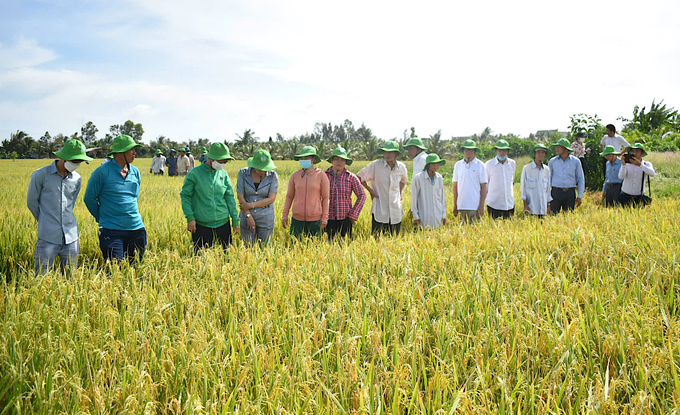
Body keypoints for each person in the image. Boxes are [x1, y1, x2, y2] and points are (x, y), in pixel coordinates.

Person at [27, 139, 93, 275]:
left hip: (71, 236)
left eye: (79, 162)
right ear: (63, 158)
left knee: (71, 277)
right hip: (47, 237)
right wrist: (45, 220)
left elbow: (71, 203)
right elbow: (32, 202)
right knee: (42, 277)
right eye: (74, 161)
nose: (77, 165)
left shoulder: (77, 179)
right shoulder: (41, 175)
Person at [84, 135, 147, 263]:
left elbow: (134, 196)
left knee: (135, 267)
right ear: (120, 152)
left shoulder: (135, 172)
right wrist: (101, 217)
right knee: (115, 269)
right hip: (111, 230)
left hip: (136, 228)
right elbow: (89, 198)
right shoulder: (101, 172)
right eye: (131, 149)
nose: (134, 153)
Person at [180, 142, 240, 251]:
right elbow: (185, 196)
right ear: (211, 159)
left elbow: (229, 197)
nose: (223, 164)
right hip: (202, 224)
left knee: (226, 258)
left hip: (223, 223)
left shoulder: (223, 174)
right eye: (221, 161)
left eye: (225, 162)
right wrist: (190, 217)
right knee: (201, 258)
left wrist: (235, 219)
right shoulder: (194, 174)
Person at [357, 140, 408, 235]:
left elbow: (403, 181)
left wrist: (401, 193)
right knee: (377, 239)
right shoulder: (376, 165)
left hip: (395, 208)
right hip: (380, 208)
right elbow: (360, 177)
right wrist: (371, 192)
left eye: (391, 152)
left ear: (396, 154)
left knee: (394, 239)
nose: (387, 154)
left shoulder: (401, 167)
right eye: (385, 152)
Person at [281, 145, 330, 238]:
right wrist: (285, 215)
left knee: (314, 247)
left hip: (315, 220)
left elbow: (326, 198)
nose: (304, 159)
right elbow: (289, 196)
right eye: (302, 158)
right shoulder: (295, 175)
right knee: (295, 247)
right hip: (297, 219)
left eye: (306, 157)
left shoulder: (321, 175)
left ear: (314, 159)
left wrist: (325, 218)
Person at [237, 149, 279, 244]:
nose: (263, 172)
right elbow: (240, 196)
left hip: (266, 217)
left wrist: (250, 205)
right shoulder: (243, 173)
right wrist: (248, 215)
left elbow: (271, 198)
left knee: (265, 248)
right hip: (246, 216)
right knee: (248, 247)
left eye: (265, 169)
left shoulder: (273, 175)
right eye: (260, 169)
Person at [324, 147, 366, 239]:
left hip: (345, 218)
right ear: (332, 160)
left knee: (344, 246)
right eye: (336, 159)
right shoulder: (324, 176)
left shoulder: (351, 177)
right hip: (327, 219)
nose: (339, 162)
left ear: (345, 162)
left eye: (342, 160)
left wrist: (354, 214)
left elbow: (362, 195)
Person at [453, 139, 488, 223]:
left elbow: (484, 187)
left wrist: (481, 206)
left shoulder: (480, 165)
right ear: (463, 152)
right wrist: (455, 204)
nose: (468, 152)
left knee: (475, 232)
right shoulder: (458, 165)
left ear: (475, 151)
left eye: (470, 150)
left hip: (475, 206)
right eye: (466, 150)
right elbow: (455, 186)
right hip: (461, 205)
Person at [548, 138, 585, 214]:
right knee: (553, 216)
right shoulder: (552, 161)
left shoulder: (576, 161)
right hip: (556, 192)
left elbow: (580, 178)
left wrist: (580, 196)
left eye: (559, 147)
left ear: (565, 149)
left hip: (570, 193)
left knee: (568, 216)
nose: (556, 149)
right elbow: (548, 179)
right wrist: (547, 197)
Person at [411, 153, 447, 228]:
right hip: (424, 216)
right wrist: (416, 216)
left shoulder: (439, 178)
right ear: (428, 165)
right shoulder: (418, 178)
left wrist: (443, 215)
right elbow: (414, 198)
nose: (436, 166)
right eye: (433, 164)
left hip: (438, 215)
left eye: (437, 164)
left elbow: (442, 198)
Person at [485, 139, 516, 219]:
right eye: (500, 150)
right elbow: (486, 184)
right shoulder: (489, 164)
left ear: (508, 151)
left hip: (509, 203)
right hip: (494, 203)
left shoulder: (512, 163)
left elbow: (512, 180)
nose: (502, 153)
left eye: (504, 150)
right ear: (496, 151)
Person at [618, 143, 656, 207]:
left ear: (642, 153)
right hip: (625, 196)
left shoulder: (646, 164)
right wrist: (623, 165)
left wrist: (640, 165)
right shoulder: (627, 164)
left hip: (639, 197)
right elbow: (621, 177)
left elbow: (652, 173)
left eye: (637, 151)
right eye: (633, 151)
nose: (634, 153)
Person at [520, 144, 552, 217]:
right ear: (534, 154)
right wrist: (525, 205)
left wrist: (548, 205)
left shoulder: (546, 170)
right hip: (531, 208)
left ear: (545, 155)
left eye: (543, 152)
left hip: (543, 209)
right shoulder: (527, 168)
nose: (540, 154)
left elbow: (547, 190)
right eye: (538, 152)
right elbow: (523, 188)